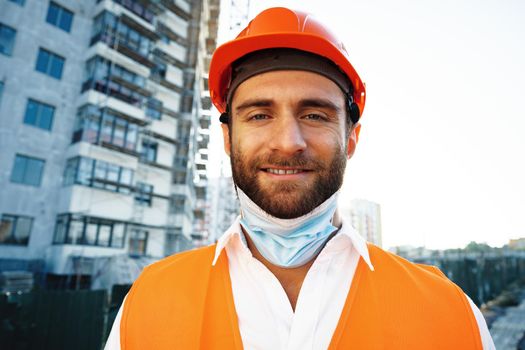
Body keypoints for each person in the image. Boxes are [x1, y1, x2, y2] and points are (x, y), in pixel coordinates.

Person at [105, 7, 495, 350]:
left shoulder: (448, 313)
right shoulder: (149, 303)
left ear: (351, 138)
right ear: (227, 137)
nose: (288, 142)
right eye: (259, 115)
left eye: (315, 115)